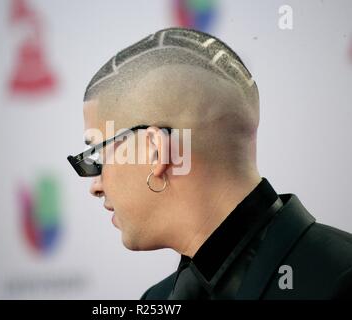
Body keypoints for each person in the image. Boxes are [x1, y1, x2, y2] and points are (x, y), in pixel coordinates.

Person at [67, 27, 352, 299]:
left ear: (155, 151)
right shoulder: (155, 299)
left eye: (98, 156)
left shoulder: (339, 279)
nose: (95, 186)